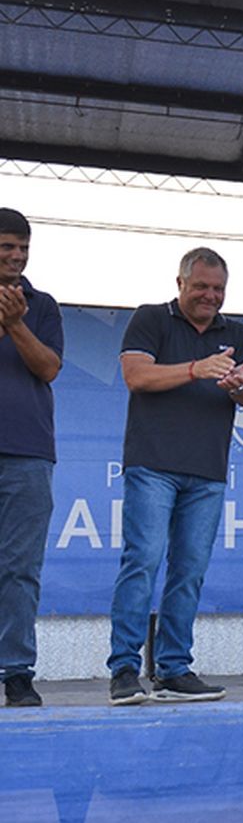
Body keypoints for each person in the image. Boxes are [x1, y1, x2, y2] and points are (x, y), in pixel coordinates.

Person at [108, 247, 243, 705]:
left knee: (189, 571)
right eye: (201, 287)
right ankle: (125, 670)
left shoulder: (239, 332)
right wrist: (196, 369)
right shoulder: (150, 318)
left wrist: (239, 384)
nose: (210, 296)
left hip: (208, 470)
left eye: (218, 289)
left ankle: (174, 669)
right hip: (152, 464)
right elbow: (136, 376)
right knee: (143, 562)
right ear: (180, 284)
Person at [0, 210, 62, 708]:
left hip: (27, 453)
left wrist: (16, 324)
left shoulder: (42, 306)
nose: (17, 256)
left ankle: (16, 671)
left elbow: (48, 367)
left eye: (23, 247)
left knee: (19, 567)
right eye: (7, 247)